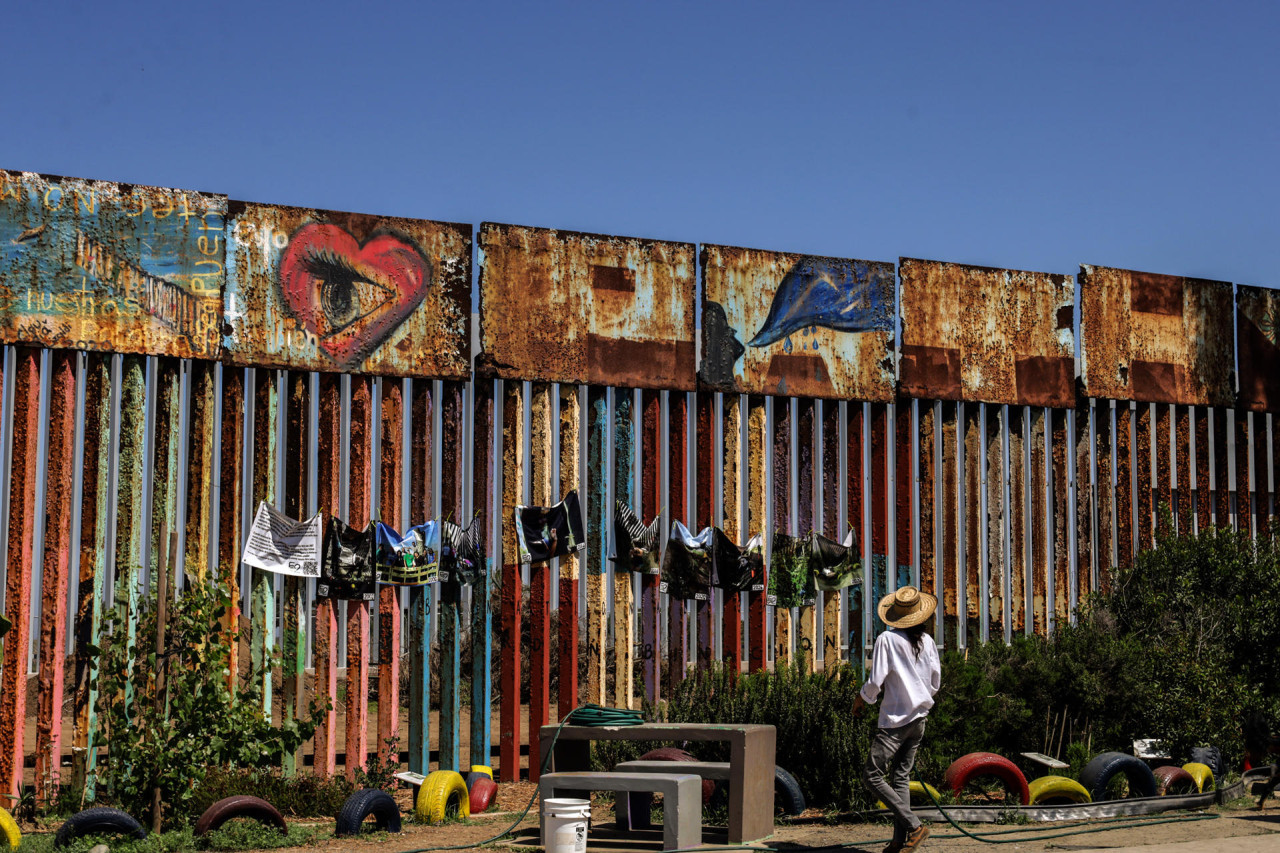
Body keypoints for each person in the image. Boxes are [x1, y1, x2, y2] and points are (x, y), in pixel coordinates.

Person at [852, 586, 941, 853]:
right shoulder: (928, 642)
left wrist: (861, 700)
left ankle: (915, 826)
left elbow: (875, 681)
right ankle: (899, 842)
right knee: (900, 777)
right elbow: (935, 682)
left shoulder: (887, 640)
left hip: (896, 721)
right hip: (919, 719)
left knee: (872, 776)